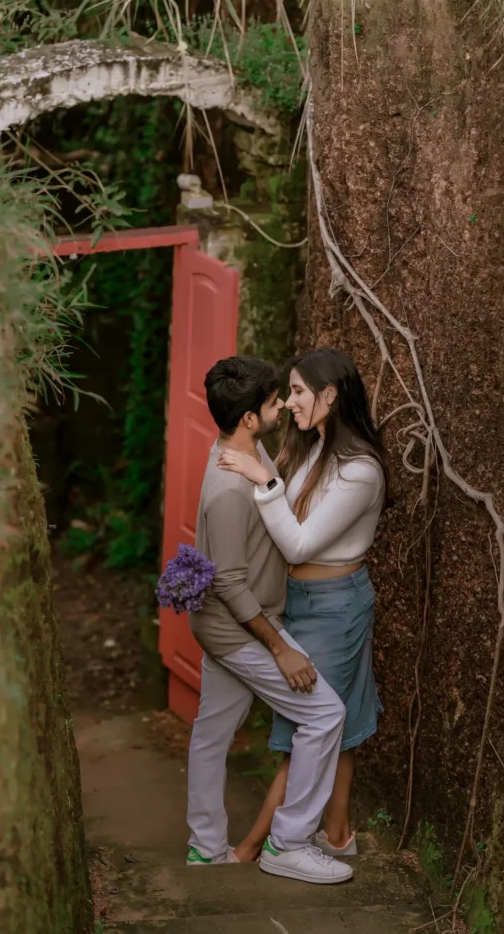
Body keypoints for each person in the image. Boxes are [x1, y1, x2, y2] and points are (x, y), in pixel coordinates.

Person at [186, 356, 354, 884]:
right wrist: (280, 647)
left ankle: (204, 848)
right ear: (249, 420)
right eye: (272, 401)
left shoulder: (246, 451)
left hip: (224, 624)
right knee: (325, 714)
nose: (282, 403)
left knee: (211, 736)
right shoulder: (229, 489)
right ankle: (288, 843)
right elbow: (230, 584)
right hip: (238, 628)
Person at [217, 347, 386, 863]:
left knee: (311, 732)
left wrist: (262, 479)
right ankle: (337, 835)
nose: (289, 403)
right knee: (337, 728)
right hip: (309, 601)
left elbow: (297, 544)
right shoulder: (316, 450)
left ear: (329, 396)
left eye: (297, 392)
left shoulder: (361, 472)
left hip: (336, 608)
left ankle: (254, 848)